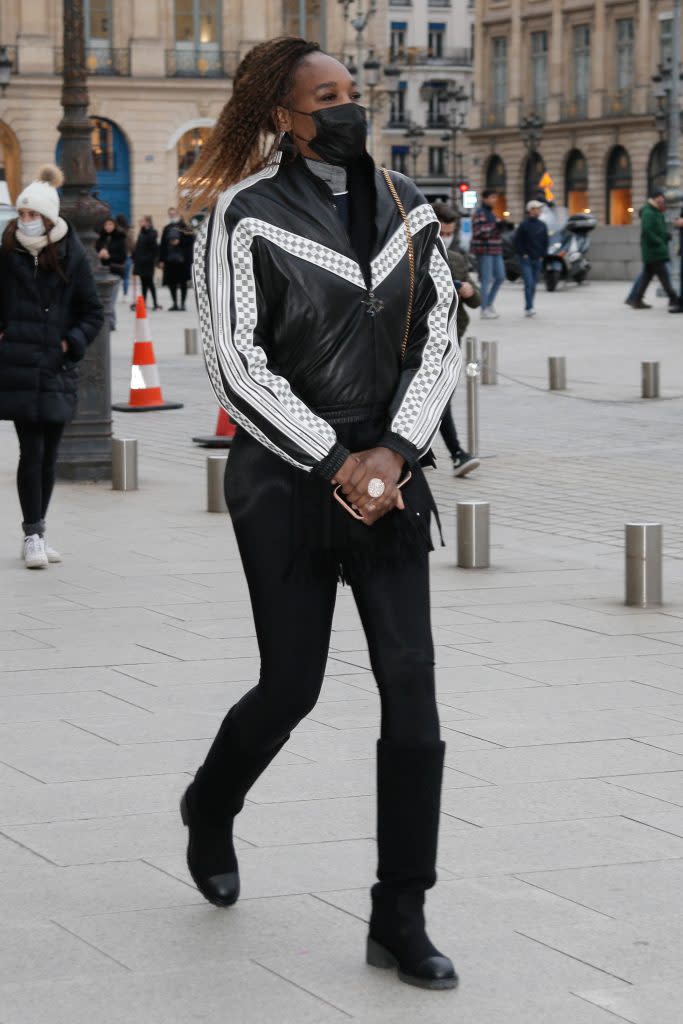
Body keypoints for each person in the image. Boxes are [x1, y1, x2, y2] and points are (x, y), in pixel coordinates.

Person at [182, 37, 461, 991]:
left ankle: (401, 912)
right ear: (283, 116)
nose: (349, 107)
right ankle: (210, 805)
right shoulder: (242, 213)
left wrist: (393, 453)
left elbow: (443, 340)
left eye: (354, 91)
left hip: (389, 475)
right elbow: (233, 363)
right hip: (288, 481)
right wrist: (337, 460)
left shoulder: (408, 206)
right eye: (326, 96)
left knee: (413, 698)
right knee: (290, 686)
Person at [0, 164, 103, 568]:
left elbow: (93, 312)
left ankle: (39, 531)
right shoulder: (6, 252)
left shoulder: (71, 253)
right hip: (21, 366)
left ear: (48, 217)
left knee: (50, 453)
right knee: (32, 450)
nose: (25, 221)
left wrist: (70, 343)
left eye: (32, 215)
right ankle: (33, 534)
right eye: (22, 214)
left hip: (58, 366)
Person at [432, 200, 480, 477]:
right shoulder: (413, 252)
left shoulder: (459, 259)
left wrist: (470, 292)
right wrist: (450, 286)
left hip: (451, 336)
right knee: (436, 395)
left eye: (449, 233)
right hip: (420, 336)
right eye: (442, 231)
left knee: (439, 394)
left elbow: (476, 302)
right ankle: (457, 453)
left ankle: (440, 453)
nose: (445, 238)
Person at [629, 189, 678, 310]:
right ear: (654, 198)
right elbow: (648, 230)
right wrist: (660, 242)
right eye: (660, 197)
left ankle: (637, 299)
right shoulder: (649, 211)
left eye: (663, 197)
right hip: (654, 250)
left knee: (647, 276)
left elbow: (657, 229)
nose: (662, 199)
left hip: (654, 250)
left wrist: (665, 236)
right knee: (664, 276)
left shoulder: (655, 211)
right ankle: (673, 298)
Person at [471, 188, 505, 319]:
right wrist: (495, 226)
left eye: (495, 197)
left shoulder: (492, 213)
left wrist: (500, 225)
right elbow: (479, 231)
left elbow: (493, 229)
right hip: (485, 250)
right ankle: (484, 309)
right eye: (492, 197)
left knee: (501, 277)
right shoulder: (480, 213)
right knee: (486, 280)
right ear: (485, 199)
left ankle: (489, 303)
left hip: (496, 249)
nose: (494, 200)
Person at [514, 199, 549, 317]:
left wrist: (542, 255)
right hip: (526, 259)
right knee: (528, 283)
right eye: (537, 208)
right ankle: (529, 307)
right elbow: (517, 241)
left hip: (537, 258)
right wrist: (523, 253)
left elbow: (545, 241)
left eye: (540, 208)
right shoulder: (524, 224)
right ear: (530, 210)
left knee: (533, 284)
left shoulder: (542, 225)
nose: (539, 211)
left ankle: (530, 305)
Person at [95, 215, 127, 329]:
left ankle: (110, 323)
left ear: (115, 225)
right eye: (106, 225)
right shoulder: (100, 239)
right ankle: (109, 322)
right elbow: (94, 253)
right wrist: (99, 255)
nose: (108, 227)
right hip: (102, 273)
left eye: (110, 224)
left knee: (110, 299)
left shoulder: (120, 238)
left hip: (115, 271)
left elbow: (122, 257)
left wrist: (109, 256)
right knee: (103, 300)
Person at [159, 206, 194, 311]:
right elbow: (162, 245)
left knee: (183, 282)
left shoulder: (185, 226)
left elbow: (191, 241)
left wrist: (180, 242)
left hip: (182, 260)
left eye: (173, 214)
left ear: (178, 214)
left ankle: (182, 304)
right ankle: (174, 303)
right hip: (169, 260)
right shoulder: (167, 228)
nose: (172, 215)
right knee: (171, 282)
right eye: (170, 214)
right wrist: (161, 260)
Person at [132, 216, 161, 310]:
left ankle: (155, 304)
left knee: (150, 283)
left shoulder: (152, 233)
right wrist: (134, 257)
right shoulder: (141, 233)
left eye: (142, 221)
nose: (140, 223)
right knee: (143, 284)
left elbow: (154, 249)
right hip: (140, 262)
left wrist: (151, 259)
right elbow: (138, 247)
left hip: (148, 263)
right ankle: (143, 303)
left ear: (148, 222)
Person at [115, 213, 134, 298]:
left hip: (118, 256)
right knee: (126, 277)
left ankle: (115, 293)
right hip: (127, 256)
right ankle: (125, 295)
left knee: (116, 276)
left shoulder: (116, 231)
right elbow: (132, 244)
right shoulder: (129, 231)